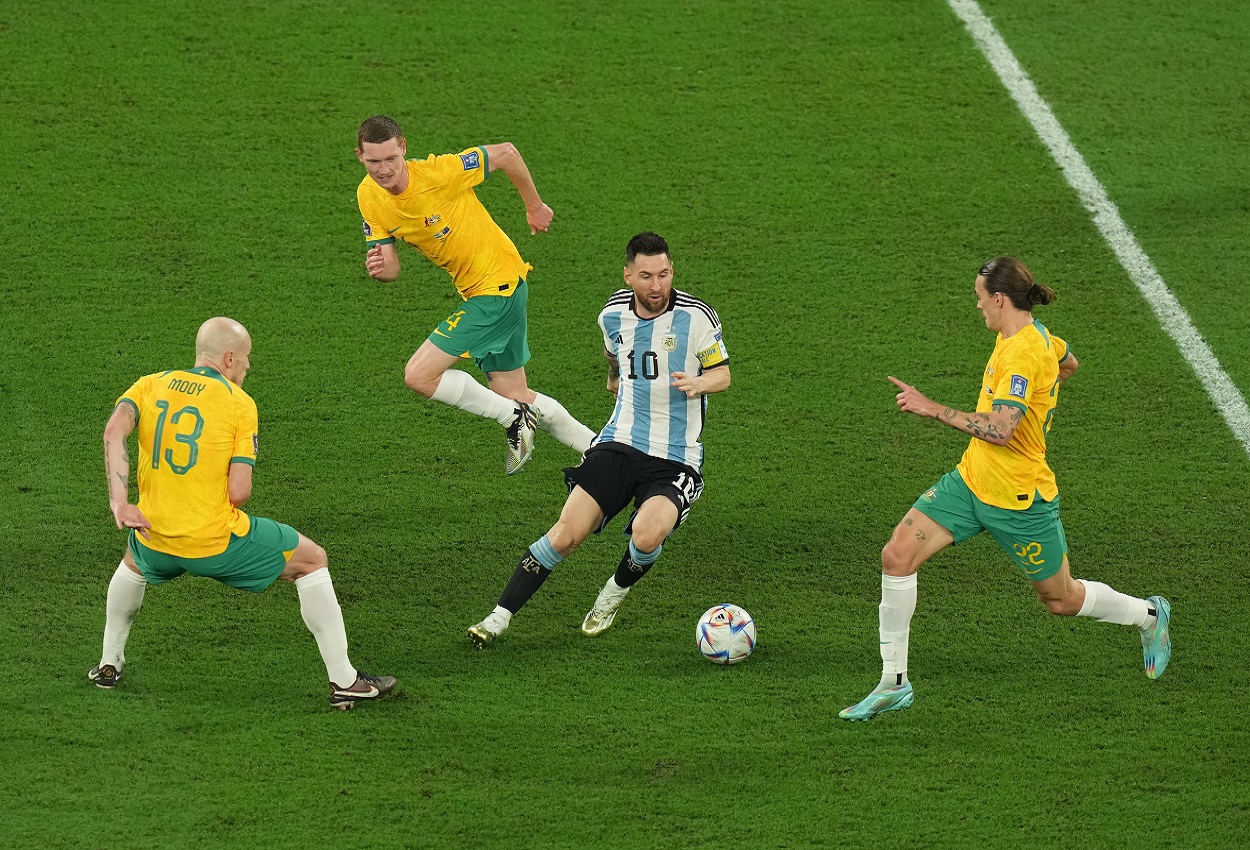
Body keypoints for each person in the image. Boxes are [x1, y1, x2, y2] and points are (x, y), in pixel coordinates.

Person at [840, 257, 1172, 721]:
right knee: (897, 555)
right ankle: (894, 682)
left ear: (999, 299)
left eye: (980, 300)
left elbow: (1001, 431)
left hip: (1020, 499)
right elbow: (1068, 362)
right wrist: (1043, 397)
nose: (978, 308)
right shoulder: (1030, 337)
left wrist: (931, 407)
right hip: (972, 480)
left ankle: (1149, 616)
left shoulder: (1022, 353)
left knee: (1062, 599)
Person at [91, 317, 396, 711]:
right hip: (214, 542)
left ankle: (108, 664)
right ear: (229, 358)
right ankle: (345, 680)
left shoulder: (150, 384)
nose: (249, 367)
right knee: (312, 560)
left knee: (133, 562)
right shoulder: (239, 404)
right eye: (247, 358)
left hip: (154, 535)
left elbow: (113, 430)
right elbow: (239, 492)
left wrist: (119, 502)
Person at [467, 232, 731, 646]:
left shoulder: (696, 316)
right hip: (620, 441)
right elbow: (613, 354)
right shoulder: (612, 314)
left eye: (663, 274)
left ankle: (613, 593)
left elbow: (724, 375)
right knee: (566, 534)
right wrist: (613, 379)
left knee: (647, 534)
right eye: (646, 276)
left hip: (676, 456)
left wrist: (700, 382)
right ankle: (497, 618)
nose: (657, 286)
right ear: (629, 276)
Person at [354, 115, 595, 475]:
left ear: (403, 148)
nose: (384, 169)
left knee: (418, 376)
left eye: (391, 158)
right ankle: (604, 449)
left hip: (496, 289)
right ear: (360, 156)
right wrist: (379, 268)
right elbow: (390, 268)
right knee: (516, 393)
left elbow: (507, 154)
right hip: (495, 289)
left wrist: (534, 206)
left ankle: (515, 419)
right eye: (374, 161)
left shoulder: (439, 174)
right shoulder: (368, 197)